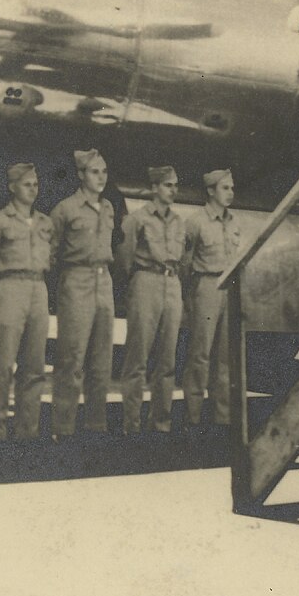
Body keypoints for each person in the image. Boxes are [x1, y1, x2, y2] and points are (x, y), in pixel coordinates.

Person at [0, 160, 54, 440]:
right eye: (26, 184)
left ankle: (27, 432)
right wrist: (0, 289)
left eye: (35, 184)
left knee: (34, 366)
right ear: (12, 187)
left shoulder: (46, 223)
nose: (33, 189)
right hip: (8, 288)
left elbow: (51, 257)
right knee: (3, 364)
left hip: (37, 289)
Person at [50, 148, 118, 438]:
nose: (100, 177)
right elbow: (50, 253)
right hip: (76, 279)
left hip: (104, 281)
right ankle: (63, 428)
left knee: (102, 359)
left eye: (103, 171)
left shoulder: (109, 208)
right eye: (94, 172)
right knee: (72, 358)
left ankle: (96, 425)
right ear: (80, 175)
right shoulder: (65, 210)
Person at [118, 164, 186, 434]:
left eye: (175, 185)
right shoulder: (137, 219)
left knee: (167, 359)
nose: (174, 190)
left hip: (172, 283)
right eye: (168, 185)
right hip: (145, 280)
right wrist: (134, 285)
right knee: (138, 357)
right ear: (155, 188)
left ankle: (161, 422)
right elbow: (124, 258)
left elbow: (186, 259)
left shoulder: (180, 222)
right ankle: (131, 423)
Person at [181, 168, 242, 430]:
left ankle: (222, 417)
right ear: (210, 191)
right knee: (200, 354)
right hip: (205, 286)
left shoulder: (234, 222)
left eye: (231, 188)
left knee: (227, 356)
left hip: (229, 288)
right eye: (225, 188)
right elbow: (184, 261)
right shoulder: (196, 222)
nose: (230, 193)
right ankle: (192, 417)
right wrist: (188, 294)